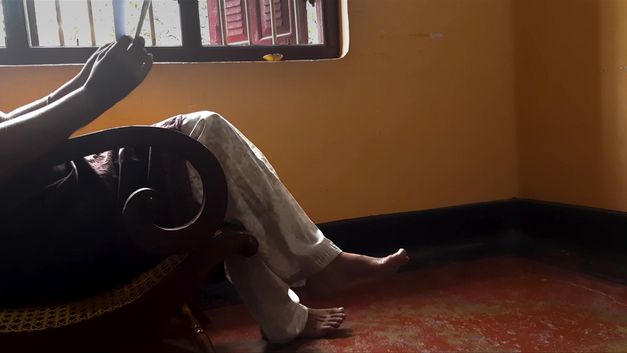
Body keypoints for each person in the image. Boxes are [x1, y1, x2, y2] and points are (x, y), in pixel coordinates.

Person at [0, 36, 409, 343]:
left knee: (208, 160)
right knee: (204, 139)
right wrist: (93, 94)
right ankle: (320, 270)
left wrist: (78, 84)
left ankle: (288, 313)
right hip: (57, 236)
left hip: (68, 201)